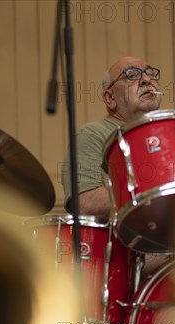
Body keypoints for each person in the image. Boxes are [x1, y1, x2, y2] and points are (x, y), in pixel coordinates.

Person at [63, 56, 162, 216]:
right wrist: (158, 191)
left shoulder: (170, 133)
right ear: (110, 98)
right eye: (132, 75)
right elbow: (86, 202)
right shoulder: (91, 134)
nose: (146, 79)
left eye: (150, 73)